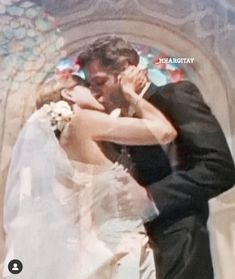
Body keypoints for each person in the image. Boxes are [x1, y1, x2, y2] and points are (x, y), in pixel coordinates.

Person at [77, 35, 235, 279]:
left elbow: (220, 167)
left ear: (127, 71)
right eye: (90, 85)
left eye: (99, 82)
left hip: (181, 245)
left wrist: (152, 196)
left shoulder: (175, 96)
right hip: (138, 247)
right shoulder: (115, 122)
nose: (95, 93)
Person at [3, 70, 177, 279]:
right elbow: (164, 132)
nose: (97, 91)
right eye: (88, 86)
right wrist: (131, 94)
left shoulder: (59, 145)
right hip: (119, 250)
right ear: (69, 94)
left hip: (92, 253)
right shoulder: (83, 121)